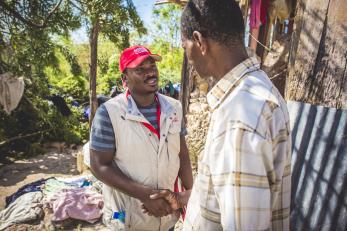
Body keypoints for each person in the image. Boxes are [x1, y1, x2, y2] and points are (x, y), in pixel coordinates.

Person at [150, 0, 292, 230]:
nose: (188, 55)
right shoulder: (254, 91)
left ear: (199, 41)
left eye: (184, 45)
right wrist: (189, 198)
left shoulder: (239, 116)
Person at [89, 45, 193, 230]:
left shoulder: (174, 107)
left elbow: (182, 155)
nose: (150, 73)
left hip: (167, 214)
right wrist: (145, 195)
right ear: (125, 80)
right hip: (128, 217)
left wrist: (190, 195)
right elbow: (99, 166)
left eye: (152, 67)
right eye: (140, 69)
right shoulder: (109, 113)